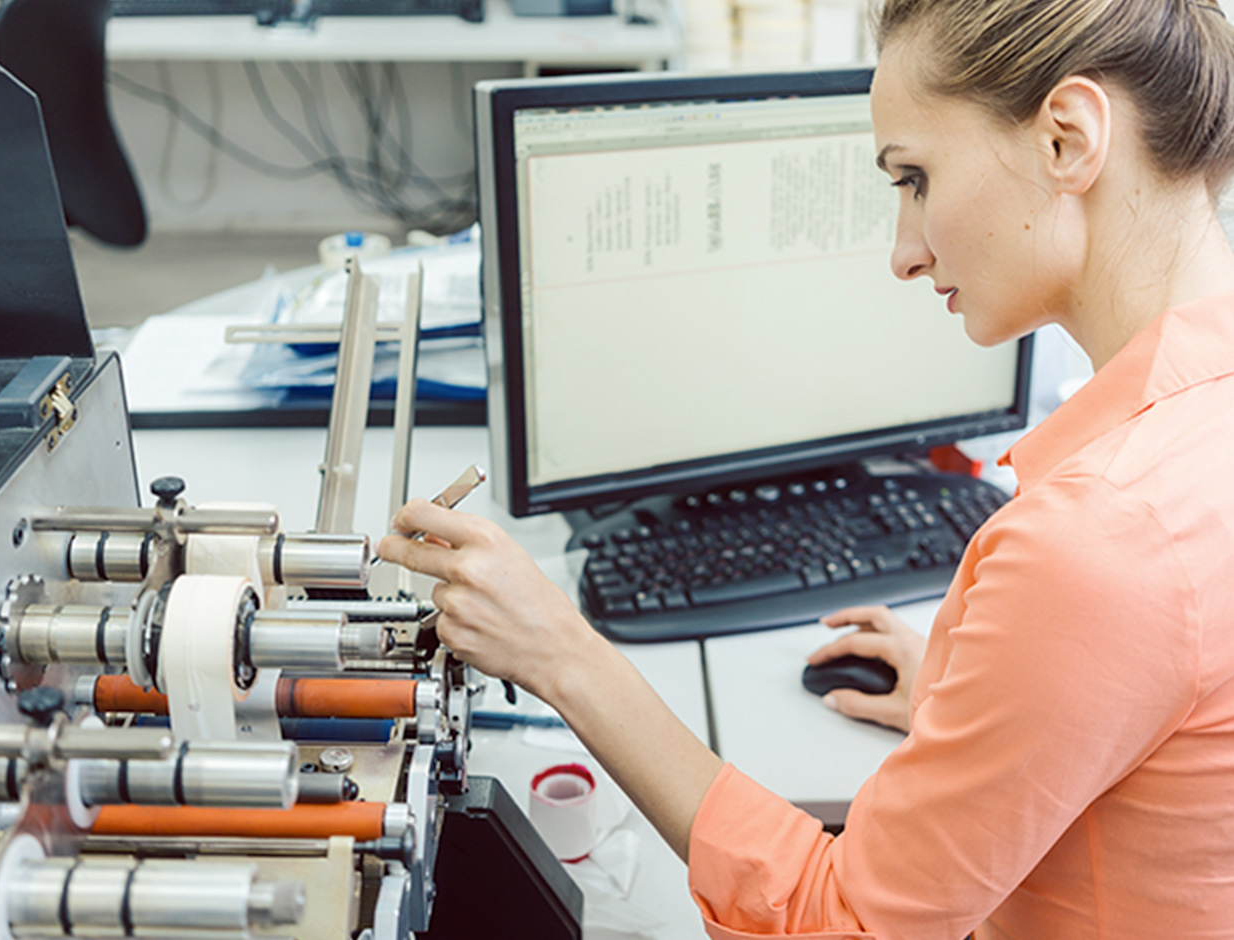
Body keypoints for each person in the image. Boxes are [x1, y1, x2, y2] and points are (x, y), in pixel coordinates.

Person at [377, 0, 1234, 935]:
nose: (905, 254)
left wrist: (562, 654)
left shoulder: (1103, 544)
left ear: (1067, 140)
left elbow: (845, 922)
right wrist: (985, 703)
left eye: (914, 178)